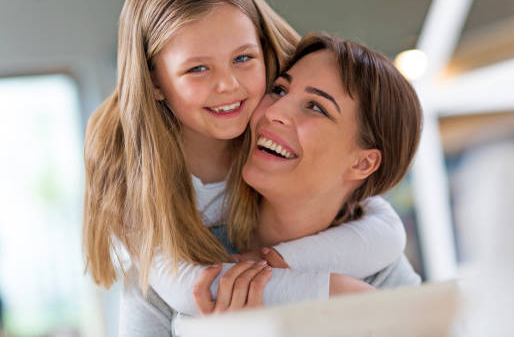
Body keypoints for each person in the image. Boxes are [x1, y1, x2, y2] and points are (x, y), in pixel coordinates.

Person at [82, 0, 411, 327]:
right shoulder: (128, 164)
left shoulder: (272, 113)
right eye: (198, 68)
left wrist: (286, 263)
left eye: (243, 58)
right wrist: (328, 291)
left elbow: (384, 228)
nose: (228, 85)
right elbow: (187, 287)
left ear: (265, 53)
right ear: (154, 81)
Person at [124, 32, 424, 335]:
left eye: (316, 107)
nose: (273, 112)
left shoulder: (387, 284)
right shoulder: (174, 266)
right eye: (279, 90)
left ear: (362, 163)